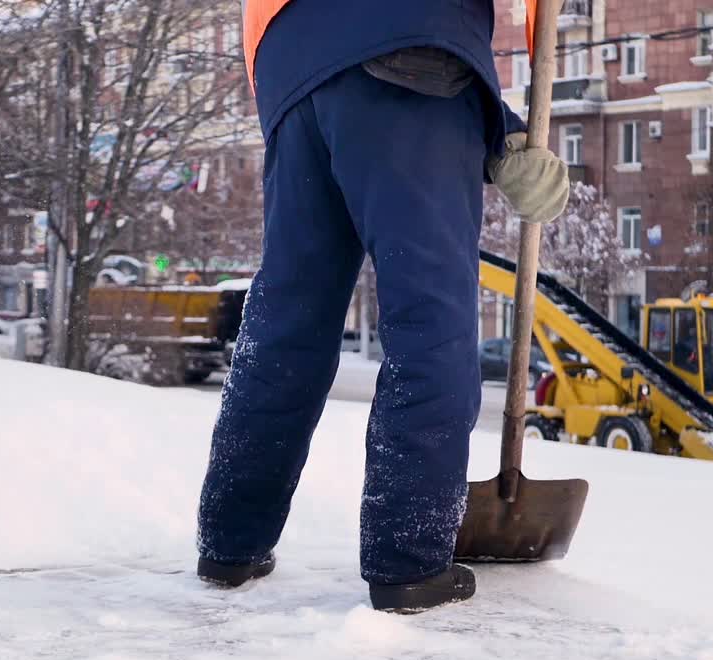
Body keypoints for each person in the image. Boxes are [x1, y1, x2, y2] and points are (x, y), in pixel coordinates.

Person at [195, 1, 570, 613]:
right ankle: (408, 561)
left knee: (289, 319)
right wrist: (496, 129)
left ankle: (231, 541)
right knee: (430, 317)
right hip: (413, 58)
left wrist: (496, 131)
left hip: (293, 71)